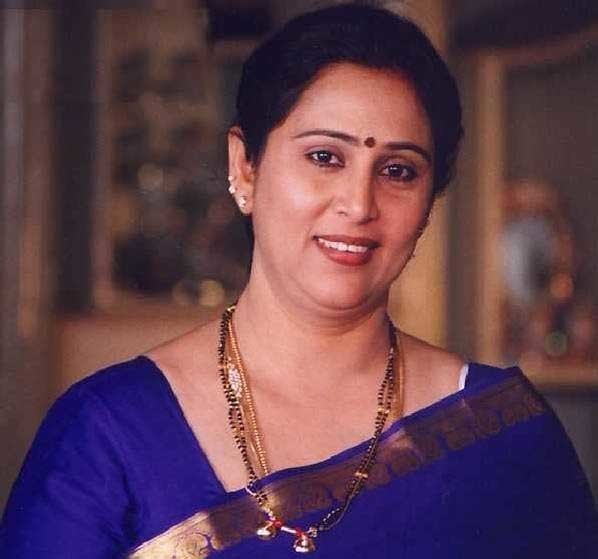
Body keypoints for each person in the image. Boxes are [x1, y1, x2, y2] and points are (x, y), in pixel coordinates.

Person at [1, 3, 597, 558]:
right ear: (245, 166)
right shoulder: (107, 433)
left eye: (397, 170)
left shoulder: (501, 432)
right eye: (324, 158)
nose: (358, 204)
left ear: (429, 202)